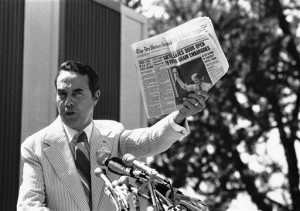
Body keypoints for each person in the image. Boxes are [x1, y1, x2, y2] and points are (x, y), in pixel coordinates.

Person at [17, 61, 209, 211]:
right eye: (62, 93)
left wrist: (180, 115)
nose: (68, 102)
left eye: (77, 94)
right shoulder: (35, 146)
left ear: (95, 97)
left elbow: (150, 140)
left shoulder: (113, 134)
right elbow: (29, 205)